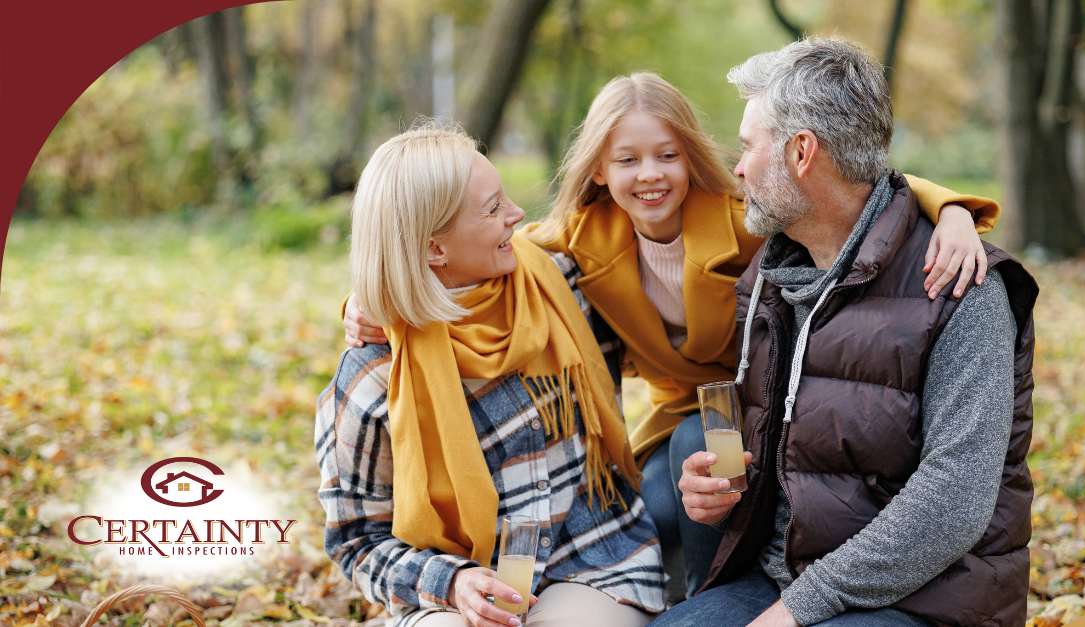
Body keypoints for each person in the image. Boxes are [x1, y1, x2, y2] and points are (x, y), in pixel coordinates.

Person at [342, 73, 1002, 602]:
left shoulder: (743, 220)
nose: (649, 174)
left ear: (690, 155)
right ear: (599, 170)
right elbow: (443, 258)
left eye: (666, 155)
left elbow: (844, 194)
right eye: (626, 159)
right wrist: (369, 302)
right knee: (651, 509)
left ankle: (712, 588)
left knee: (689, 471)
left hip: (759, 404)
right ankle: (685, 596)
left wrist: (950, 210)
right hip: (677, 417)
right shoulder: (578, 242)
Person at [656, 37, 1038, 627]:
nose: (736, 168)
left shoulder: (961, 288)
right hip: (785, 578)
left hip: (921, 601)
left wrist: (797, 610)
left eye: (748, 147)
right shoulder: (776, 271)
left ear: (802, 153)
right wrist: (711, 497)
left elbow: (953, 503)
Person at [315, 124, 664, 627]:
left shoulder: (560, 287)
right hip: (456, 583)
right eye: (493, 208)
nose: (517, 215)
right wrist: (452, 584)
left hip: (590, 562)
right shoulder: (374, 372)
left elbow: (660, 238)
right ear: (435, 249)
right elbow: (355, 540)